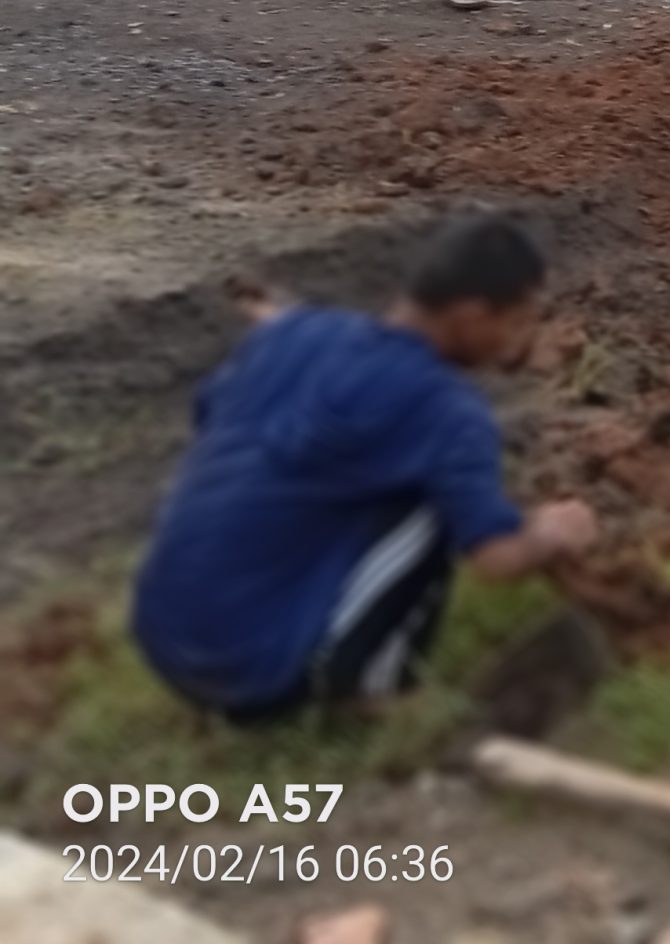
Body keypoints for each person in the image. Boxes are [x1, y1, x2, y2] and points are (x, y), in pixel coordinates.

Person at [129, 215, 596, 723]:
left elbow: (207, 415)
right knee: (430, 508)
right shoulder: (446, 410)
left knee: (269, 466)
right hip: (254, 675)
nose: (519, 343)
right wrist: (551, 532)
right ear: (471, 315)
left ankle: (260, 629)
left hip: (161, 640)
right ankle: (367, 693)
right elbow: (494, 558)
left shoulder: (291, 333)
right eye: (517, 322)